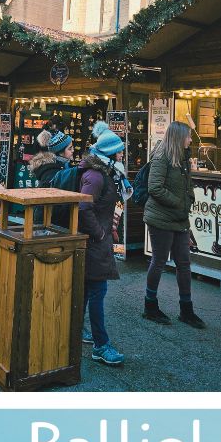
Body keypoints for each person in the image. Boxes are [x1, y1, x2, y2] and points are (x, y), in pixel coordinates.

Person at [143, 119, 205, 328]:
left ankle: (186, 309)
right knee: (159, 261)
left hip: (179, 218)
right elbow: (154, 188)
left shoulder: (183, 158)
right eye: (188, 136)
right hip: (160, 217)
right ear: (179, 137)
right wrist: (179, 202)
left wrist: (190, 198)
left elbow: (186, 185)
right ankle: (150, 305)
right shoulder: (162, 156)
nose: (190, 139)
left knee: (184, 264)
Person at [77, 129, 127, 367]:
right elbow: (84, 207)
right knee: (97, 292)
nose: (122, 155)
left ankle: (76, 331)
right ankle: (100, 345)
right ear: (110, 153)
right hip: (95, 243)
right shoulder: (96, 176)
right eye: (119, 151)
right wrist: (99, 233)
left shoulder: (104, 172)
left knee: (88, 291)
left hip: (97, 241)